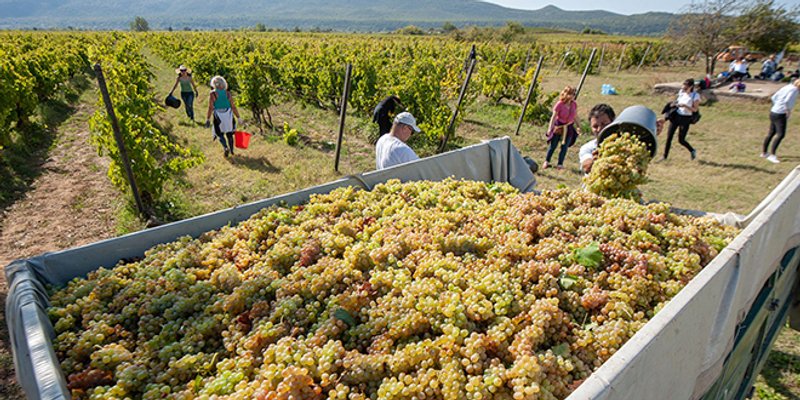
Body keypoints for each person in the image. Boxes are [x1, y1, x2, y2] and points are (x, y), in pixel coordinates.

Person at [762, 78, 800, 163]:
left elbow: (774, 97)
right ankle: (772, 155)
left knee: (771, 133)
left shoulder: (787, 87)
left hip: (774, 111)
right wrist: (788, 111)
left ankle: (764, 152)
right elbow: (787, 101)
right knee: (780, 134)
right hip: (781, 113)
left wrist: (776, 105)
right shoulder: (794, 90)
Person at [543, 86, 579, 170]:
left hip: (569, 126)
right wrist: (550, 128)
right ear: (566, 94)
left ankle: (560, 164)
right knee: (553, 145)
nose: (573, 96)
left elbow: (575, 116)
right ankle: (547, 161)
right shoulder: (560, 104)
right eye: (571, 94)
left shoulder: (574, 104)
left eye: (574, 94)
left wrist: (578, 126)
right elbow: (553, 116)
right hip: (559, 126)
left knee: (565, 146)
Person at [663, 78, 699, 161]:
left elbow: (695, 109)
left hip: (685, 118)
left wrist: (685, 106)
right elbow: (677, 101)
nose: (684, 87)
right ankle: (665, 157)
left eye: (686, 86)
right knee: (669, 137)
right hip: (676, 116)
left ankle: (692, 150)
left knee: (681, 140)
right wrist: (674, 104)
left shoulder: (695, 96)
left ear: (691, 86)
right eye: (684, 85)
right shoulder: (681, 92)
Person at [205, 76, 241, 158]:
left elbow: (210, 107)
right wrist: (238, 117)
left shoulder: (213, 93)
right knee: (229, 133)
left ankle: (225, 147)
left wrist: (208, 118)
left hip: (218, 115)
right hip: (228, 114)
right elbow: (233, 106)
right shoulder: (228, 93)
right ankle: (232, 151)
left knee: (219, 133)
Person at [579, 104, 615, 174]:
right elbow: (587, 167)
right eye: (595, 126)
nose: (600, 129)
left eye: (604, 124)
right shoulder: (587, 148)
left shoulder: (623, 146)